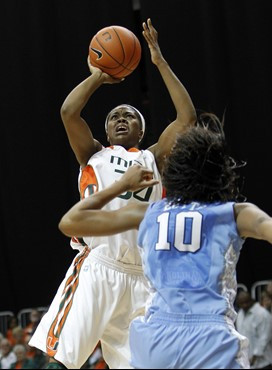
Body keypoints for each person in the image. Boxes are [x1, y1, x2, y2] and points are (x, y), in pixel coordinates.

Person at [29, 18, 196, 369]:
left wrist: (159, 61)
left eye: (130, 116)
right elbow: (68, 111)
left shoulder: (154, 158)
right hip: (98, 266)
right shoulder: (93, 154)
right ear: (105, 130)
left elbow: (186, 117)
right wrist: (98, 76)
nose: (121, 119)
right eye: (114, 116)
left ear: (142, 129)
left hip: (142, 277)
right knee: (62, 359)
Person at [59, 113, 272, 369]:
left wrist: (120, 186)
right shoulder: (235, 214)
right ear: (222, 174)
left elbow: (70, 222)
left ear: (171, 174)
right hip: (210, 338)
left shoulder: (147, 213)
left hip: (155, 340)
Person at [236, 291, 272, 369]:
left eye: (246, 302)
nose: (245, 305)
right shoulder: (240, 315)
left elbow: (264, 339)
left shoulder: (262, 314)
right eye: (242, 303)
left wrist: (254, 357)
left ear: (251, 300)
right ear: (238, 303)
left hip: (263, 363)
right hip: (247, 364)